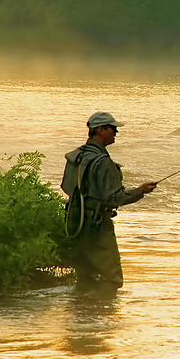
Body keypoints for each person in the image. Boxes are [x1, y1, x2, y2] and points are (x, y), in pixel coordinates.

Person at [61, 111, 156, 292]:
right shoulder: (103, 162)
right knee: (112, 279)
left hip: (75, 222)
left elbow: (67, 187)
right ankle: (102, 315)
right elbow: (115, 198)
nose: (116, 133)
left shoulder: (78, 156)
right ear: (101, 130)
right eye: (113, 129)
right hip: (97, 226)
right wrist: (140, 191)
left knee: (85, 276)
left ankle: (82, 315)